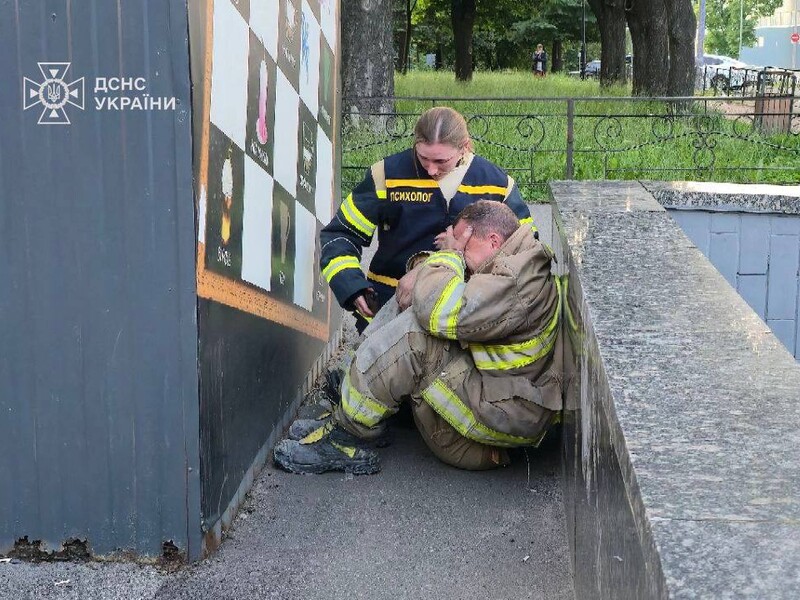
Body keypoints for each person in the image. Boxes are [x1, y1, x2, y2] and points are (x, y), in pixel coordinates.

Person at [274, 200, 562, 474]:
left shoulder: (514, 278)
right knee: (411, 297)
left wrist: (448, 255)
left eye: (463, 245)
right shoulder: (513, 257)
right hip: (496, 396)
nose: (460, 254)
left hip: (497, 423)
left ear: (494, 241)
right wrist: (428, 268)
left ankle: (347, 437)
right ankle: (351, 399)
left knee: (417, 336)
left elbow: (437, 309)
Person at [320, 106, 538, 333]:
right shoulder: (386, 174)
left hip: (465, 314)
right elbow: (340, 234)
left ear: (464, 147)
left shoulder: (498, 183)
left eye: (441, 161)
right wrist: (351, 286)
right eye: (423, 158)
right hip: (390, 308)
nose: (432, 169)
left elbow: (526, 248)